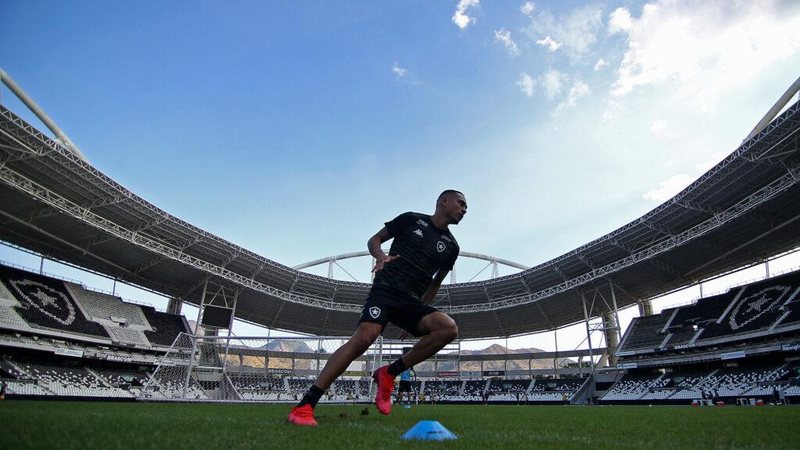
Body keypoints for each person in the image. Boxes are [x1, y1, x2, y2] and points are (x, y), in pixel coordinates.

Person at [288, 190, 467, 426]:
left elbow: (436, 283)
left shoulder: (452, 246)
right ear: (444, 201)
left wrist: (421, 312)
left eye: (465, 207)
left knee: (448, 328)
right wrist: (380, 255)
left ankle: (389, 372)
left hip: (410, 303)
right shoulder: (411, 219)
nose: (464, 210)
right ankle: (305, 406)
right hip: (386, 290)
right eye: (461, 203)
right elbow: (374, 240)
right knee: (365, 338)